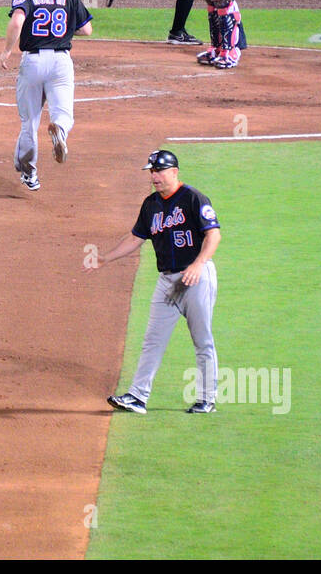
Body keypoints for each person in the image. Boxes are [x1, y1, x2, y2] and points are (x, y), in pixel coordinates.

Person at [90, 148, 222, 416]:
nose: (154, 177)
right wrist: (106, 258)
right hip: (167, 282)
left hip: (196, 278)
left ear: (174, 171)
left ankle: (207, 398)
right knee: (152, 340)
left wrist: (198, 265)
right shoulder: (150, 204)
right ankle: (138, 397)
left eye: (159, 171)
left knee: (202, 339)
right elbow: (135, 238)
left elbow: (213, 235)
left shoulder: (194, 198)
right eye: (151, 171)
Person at [0, 0, 93, 191]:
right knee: (63, 114)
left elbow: (18, 21)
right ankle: (60, 129)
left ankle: (30, 174)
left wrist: (7, 50)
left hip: (33, 63)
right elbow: (87, 30)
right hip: (61, 62)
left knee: (29, 122)